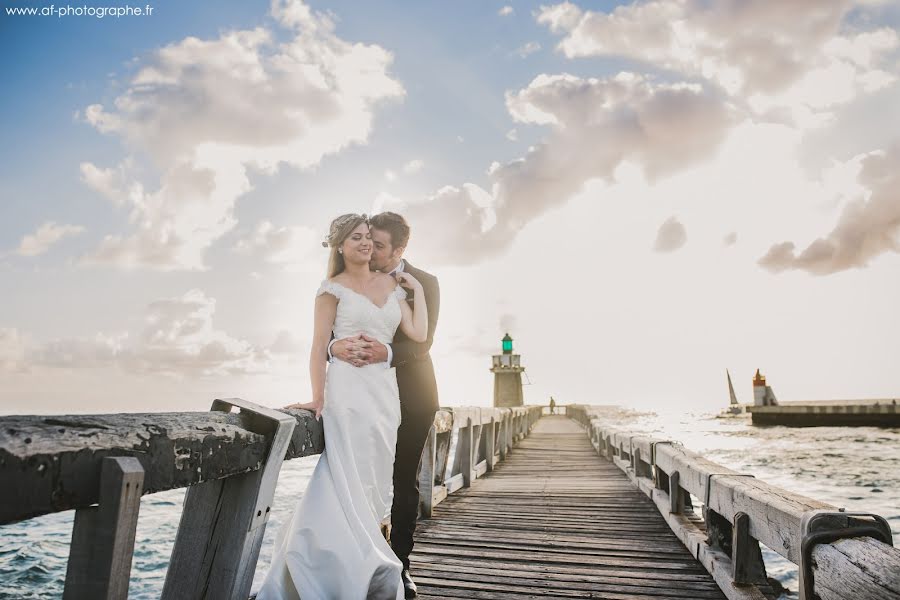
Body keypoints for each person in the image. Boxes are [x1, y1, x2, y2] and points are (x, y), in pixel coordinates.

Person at [255, 213, 428, 600]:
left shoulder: (395, 285)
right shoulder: (331, 288)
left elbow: (420, 336)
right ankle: (336, 567)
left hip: (386, 395)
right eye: (357, 238)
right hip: (348, 394)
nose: (365, 243)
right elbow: (319, 346)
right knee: (347, 476)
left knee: (376, 480)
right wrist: (317, 397)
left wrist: (414, 285)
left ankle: (367, 562)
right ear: (340, 246)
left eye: (368, 237)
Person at [330, 212, 440, 599]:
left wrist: (386, 353)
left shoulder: (424, 282)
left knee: (402, 482)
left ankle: (400, 567)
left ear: (400, 249)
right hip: (363, 398)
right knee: (359, 479)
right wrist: (333, 347)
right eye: (365, 241)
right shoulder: (352, 278)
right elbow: (333, 330)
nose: (369, 250)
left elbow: (423, 343)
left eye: (377, 245)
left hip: (412, 398)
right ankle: (356, 561)